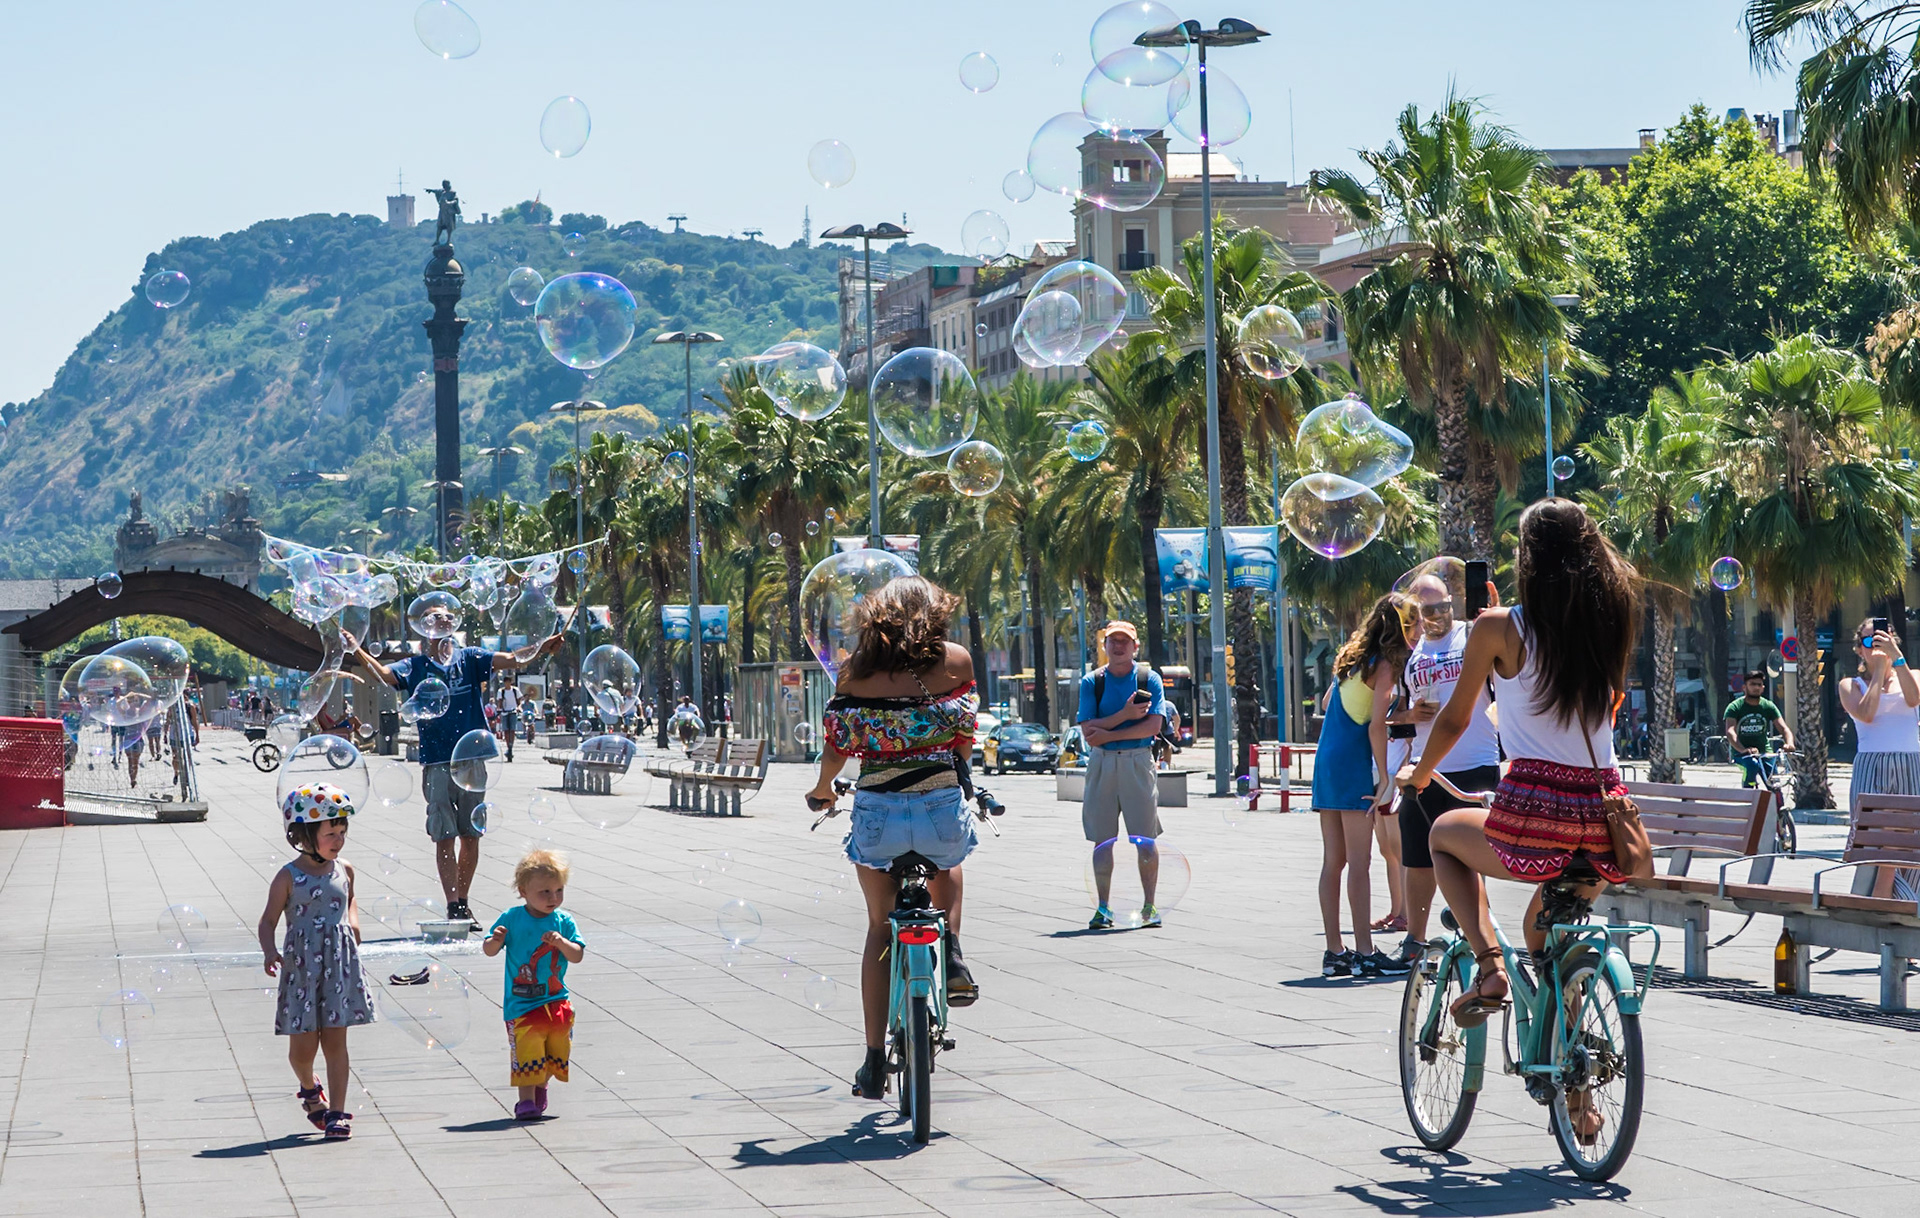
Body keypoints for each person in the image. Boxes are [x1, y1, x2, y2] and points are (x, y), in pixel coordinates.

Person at [1408, 500, 1640, 1143]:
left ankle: (1488, 966)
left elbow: (1454, 719)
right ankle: (1580, 1099)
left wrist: (1418, 773)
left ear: (1528, 561)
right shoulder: (1610, 622)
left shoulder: (1496, 628)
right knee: (1549, 942)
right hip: (1606, 822)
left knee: (1443, 836)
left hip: (1536, 816)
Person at [807, 575, 981, 1100]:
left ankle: (872, 1059)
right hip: (939, 808)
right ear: (935, 611)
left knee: (879, 928)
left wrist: (822, 791)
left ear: (876, 614)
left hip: (878, 814)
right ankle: (952, 950)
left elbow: (836, 749)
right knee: (949, 860)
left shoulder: (854, 670)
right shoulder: (956, 660)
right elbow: (964, 740)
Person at [348, 617, 561, 930]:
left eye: (446, 615)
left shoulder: (470, 658)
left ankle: (463, 900)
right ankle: (453, 906)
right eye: (435, 616)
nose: (443, 619)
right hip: (437, 760)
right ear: (425, 627)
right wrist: (356, 648)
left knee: (471, 836)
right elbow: (383, 674)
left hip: (472, 758)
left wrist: (542, 647)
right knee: (444, 837)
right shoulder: (416, 666)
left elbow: (512, 658)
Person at [1394, 568, 1502, 963]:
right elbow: (1392, 718)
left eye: (1442, 606)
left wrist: (1495, 615)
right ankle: (1415, 940)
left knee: (1473, 855)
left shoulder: (1471, 634)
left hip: (1475, 763)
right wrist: (1409, 715)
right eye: (1426, 609)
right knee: (1417, 856)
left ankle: (1481, 940)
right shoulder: (1411, 652)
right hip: (1425, 767)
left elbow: (1506, 671)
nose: (1436, 615)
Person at [257, 782, 375, 1141]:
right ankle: (309, 1087)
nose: (338, 840)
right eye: (330, 834)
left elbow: (349, 900)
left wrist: (353, 923)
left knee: (336, 1043)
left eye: (342, 833)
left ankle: (337, 1112)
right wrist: (269, 951)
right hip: (302, 969)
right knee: (302, 1050)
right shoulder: (288, 877)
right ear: (305, 835)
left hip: (338, 966)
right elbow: (268, 920)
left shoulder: (345, 869)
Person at [1314, 595, 1414, 978]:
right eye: (1414, 624)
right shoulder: (1384, 664)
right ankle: (1365, 952)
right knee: (1360, 862)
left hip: (1327, 760)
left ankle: (1334, 952)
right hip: (1352, 762)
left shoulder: (1351, 658)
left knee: (1333, 862)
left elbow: (1330, 703)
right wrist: (1385, 776)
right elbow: (1374, 727)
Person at [1076, 621, 1171, 930]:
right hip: (1102, 764)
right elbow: (1088, 733)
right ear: (1104, 645)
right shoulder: (1092, 682)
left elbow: (1153, 727)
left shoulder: (1148, 679)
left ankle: (1149, 906)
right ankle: (1103, 908)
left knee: (1145, 839)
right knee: (1102, 840)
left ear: (1135, 646)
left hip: (1137, 762)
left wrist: (1108, 730)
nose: (1118, 646)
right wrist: (1126, 716)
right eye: (1112, 641)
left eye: (1124, 641)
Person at [483, 849, 586, 1121]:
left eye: (559, 890)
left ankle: (541, 1083)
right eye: (545, 892)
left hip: (556, 1000)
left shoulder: (564, 921)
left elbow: (577, 955)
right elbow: (489, 950)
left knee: (557, 1052)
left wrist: (562, 943)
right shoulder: (512, 918)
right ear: (523, 892)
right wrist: (495, 939)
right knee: (528, 1052)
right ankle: (526, 1101)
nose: (554, 898)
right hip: (522, 1004)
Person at [1839, 619, 1920, 900]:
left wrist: (1896, 659)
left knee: (1909, 846)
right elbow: (1867, 714)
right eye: (1868, 641)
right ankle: (1887, 907)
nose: (1875, 645)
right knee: (1878, 848)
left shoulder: (1913, 675)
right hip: (1871, 767)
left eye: (1881, 638)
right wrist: (1877, 674)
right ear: (1859, 650)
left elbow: (1914, 699)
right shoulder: (1850, 685)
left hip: (1910, 766)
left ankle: (1899, 906)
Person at [1725, 670, 1794, 786]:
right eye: (1752, 684)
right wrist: (1743, 750)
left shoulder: (1768, 706)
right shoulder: (1735, 707)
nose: (1756, 687)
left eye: (1759, 685)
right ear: (1744, 687)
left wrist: (1789, 743)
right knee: (1752, 765)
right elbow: (1730, 731)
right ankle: (1748, 791)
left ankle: (1776, 797)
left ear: (1763, 688)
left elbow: (1784, 729)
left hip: (1764, 752)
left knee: (1774, 783)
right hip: (1741, 753)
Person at [496, 680, 521, 762]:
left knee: (512, 730)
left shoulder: (515, 690)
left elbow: (519, 701)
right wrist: (499, 709)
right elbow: (499, 701)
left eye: (508, 682)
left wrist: (518, 707)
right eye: (506, 682)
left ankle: (511, 746)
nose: (507, 684)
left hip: (513, 711)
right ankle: (508, 746)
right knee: (506, 730)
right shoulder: (501, 691)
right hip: (504, 712)